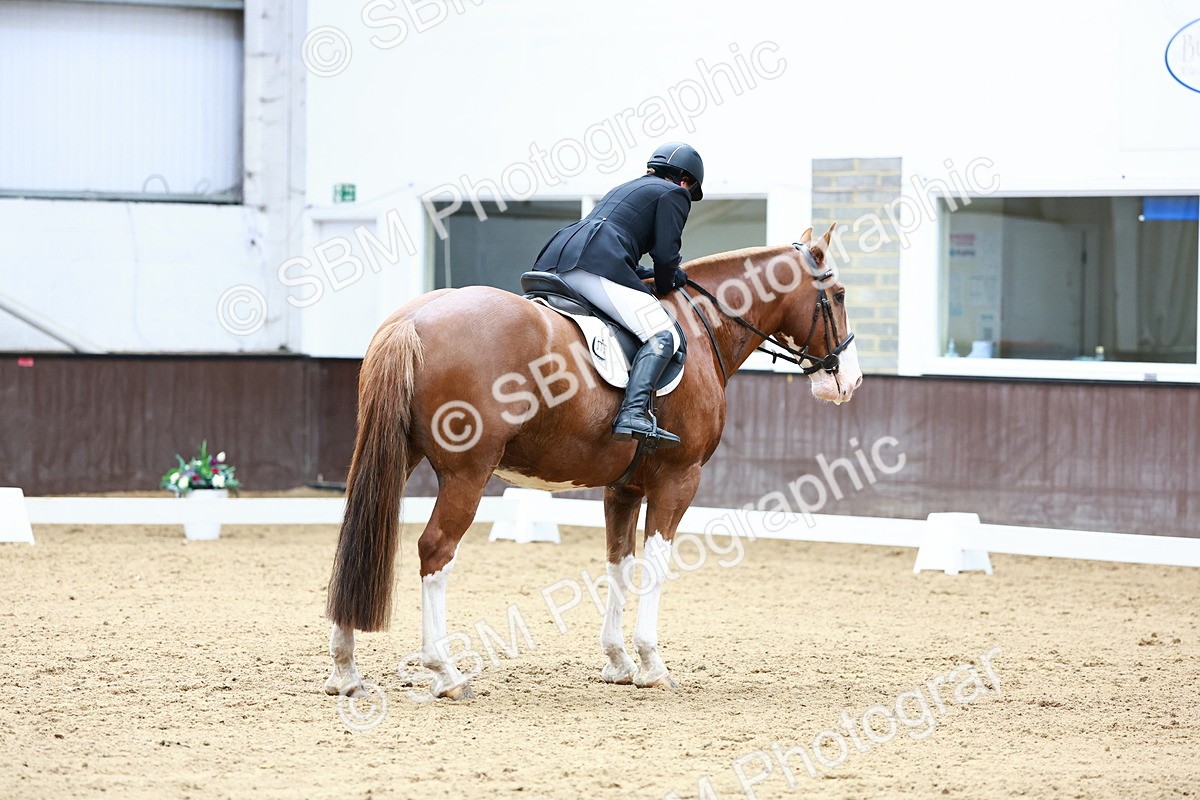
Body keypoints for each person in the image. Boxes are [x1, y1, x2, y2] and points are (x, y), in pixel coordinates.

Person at [533, 142, 704, 449]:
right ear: (684, 180)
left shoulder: (628, 187)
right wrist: (667, 281)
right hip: (592, 263)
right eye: (689, 187)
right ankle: (632, 413)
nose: (686, 191)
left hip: (558, 257)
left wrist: (648, 273)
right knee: (663, 334)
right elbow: (666, 255)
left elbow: (620, 246)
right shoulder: (674, 193)